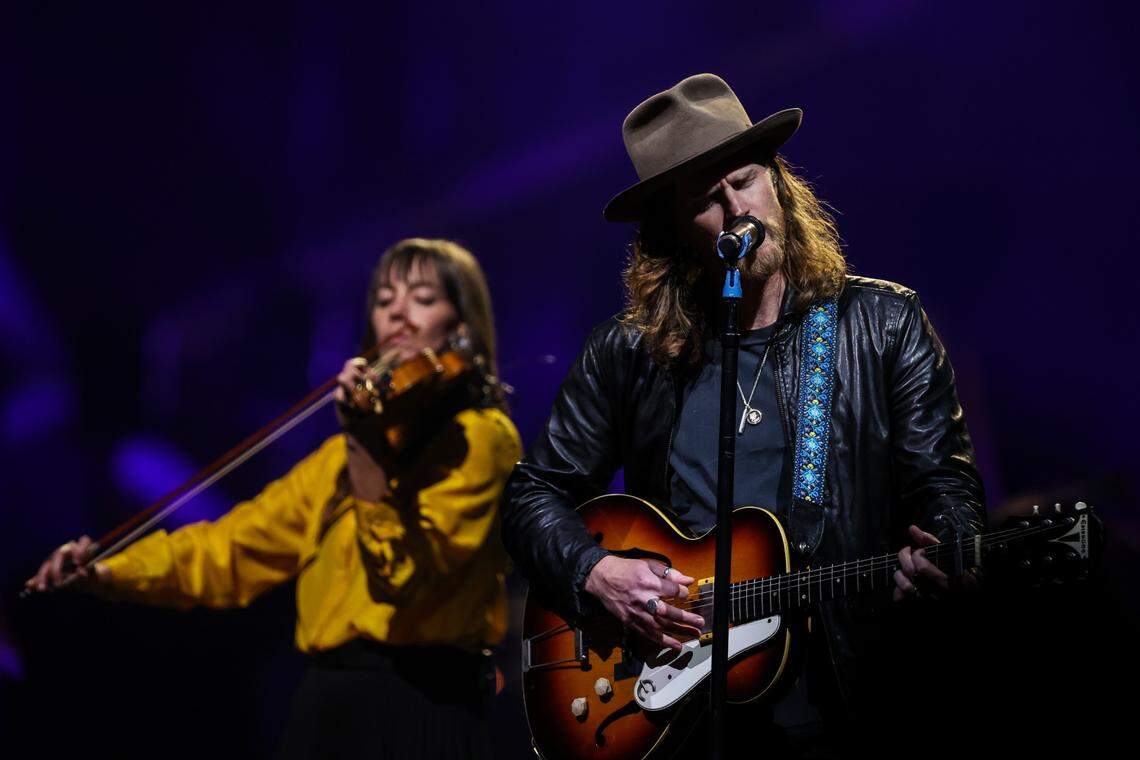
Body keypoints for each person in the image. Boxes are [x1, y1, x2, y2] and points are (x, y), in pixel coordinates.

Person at [500, 74, 986, 754]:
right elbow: (531, 495)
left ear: (778, 183)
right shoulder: (628, 353)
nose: (736, 209)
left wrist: (951, 545)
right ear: (673, 230)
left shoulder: (881, 324)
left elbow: (944, 482)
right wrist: (595, 571)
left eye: (745, 180)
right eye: (706, 199)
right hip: (685, 712)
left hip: (842, 691)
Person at [27, 238, 522, 759]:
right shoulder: (340, 459)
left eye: (421, 298)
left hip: (420, 706)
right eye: (384, 299)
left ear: (461, 329)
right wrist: (108, 571)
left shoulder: (480, 439)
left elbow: (402, 579)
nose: (397, 311)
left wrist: (363, 448)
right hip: (327, 706)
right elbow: (228, 548)